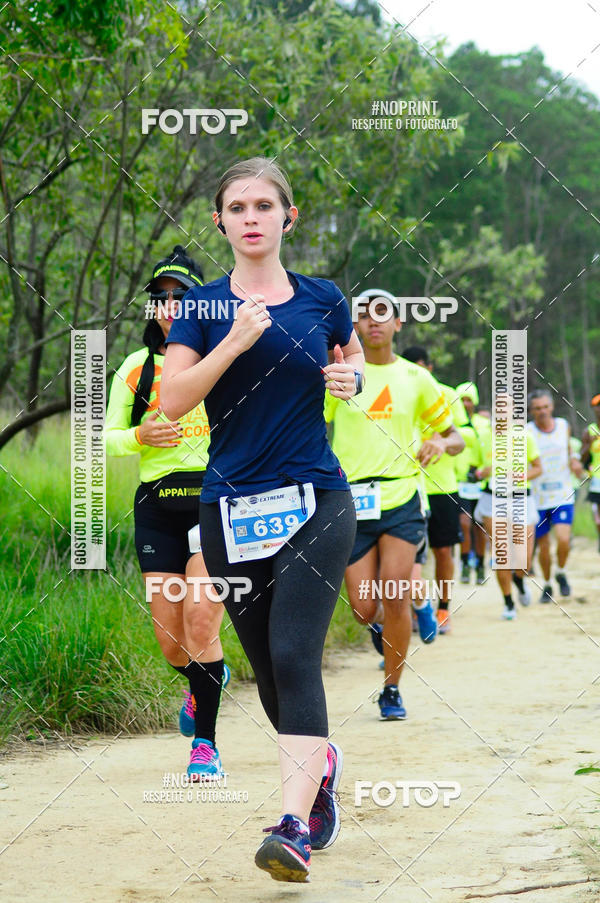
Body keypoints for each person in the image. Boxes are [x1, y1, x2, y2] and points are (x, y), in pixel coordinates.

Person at [160, 157, 364, 883]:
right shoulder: (204, 307)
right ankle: (321, 764)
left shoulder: (323, 297)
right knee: (269, 667)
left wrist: (352, 376)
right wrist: (236, 341)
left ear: (288, 217)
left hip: (316, 497)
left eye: (263, 205)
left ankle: (292, 826)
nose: (250, 216)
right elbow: (173, 402)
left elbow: (348, 359)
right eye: (236, 206)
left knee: (294, 650)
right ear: (220, 221)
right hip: (231, 505)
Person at [105, 246, 230, 781]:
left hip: (214, 499)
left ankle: (206, 745)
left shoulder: (224, 359)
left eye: (184, 296)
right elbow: (104, 440)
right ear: (151, 306)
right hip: (157, 506)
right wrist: (140, 434)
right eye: (163, 296)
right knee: (172, 637)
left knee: (202, 617)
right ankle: (205, 679)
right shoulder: (137, 368)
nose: (172, 305)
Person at [325, 293, 463, 719]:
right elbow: (310, 422)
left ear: (398, 323)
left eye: (382, 314)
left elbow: (455, 437)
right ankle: (387, 628)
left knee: (395, 593)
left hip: (402, 498)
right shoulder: (341, 377)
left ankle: (392, 690)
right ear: (354, 327)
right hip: (352, 501)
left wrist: (439, 441)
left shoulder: (417, 379)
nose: (373, 323)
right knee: (365, 609)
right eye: (363, 317)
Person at [401, 347, 466, 634]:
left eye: (420, 368)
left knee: (442, 552)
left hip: (442, 488)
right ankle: (409, 613)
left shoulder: (448, 395)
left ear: (429, 367)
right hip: (406, 487)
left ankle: (443, 608)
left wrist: (441, 441)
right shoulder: (399, 389)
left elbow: (464, 437)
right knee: (407, 557)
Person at [474, 395, 542, 619]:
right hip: (493, 499)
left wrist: (521, 476)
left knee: (523, 559)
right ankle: (508, 602)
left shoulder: (525, 436)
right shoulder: (482, 437)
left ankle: (519, 580)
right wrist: (480, 473)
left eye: (508, 405)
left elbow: (538, 468)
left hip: (522, 498)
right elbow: (474, 469)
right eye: (499, 405)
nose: (503, 409)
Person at [527, 389, 583, 602]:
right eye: (537, 408)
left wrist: (575, 461)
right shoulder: (527, 431)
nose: (542, 411)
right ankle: (548, 584)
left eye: (545, 407)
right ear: (531, 411)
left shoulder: (563, 426)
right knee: (543, 546)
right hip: (538, 497)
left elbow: (570, 451)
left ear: (551, 407)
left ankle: (561, 571)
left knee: (563, 539)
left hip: (562, 494)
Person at [455, 382, 490, 585]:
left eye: (469, 400)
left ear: (474, 403)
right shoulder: (454, 424)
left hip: (480, 482)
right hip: (460, 482)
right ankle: (465, 562)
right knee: (464, 523)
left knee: (480, 526)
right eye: (462, 400)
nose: (465, 404)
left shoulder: (483, 425)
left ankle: (480, 563)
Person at [581, 394, 600, 553]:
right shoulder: (589, 430)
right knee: (598, 517)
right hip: (597, 479)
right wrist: (591, 444)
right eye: (598, 406)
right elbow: (582, 457)